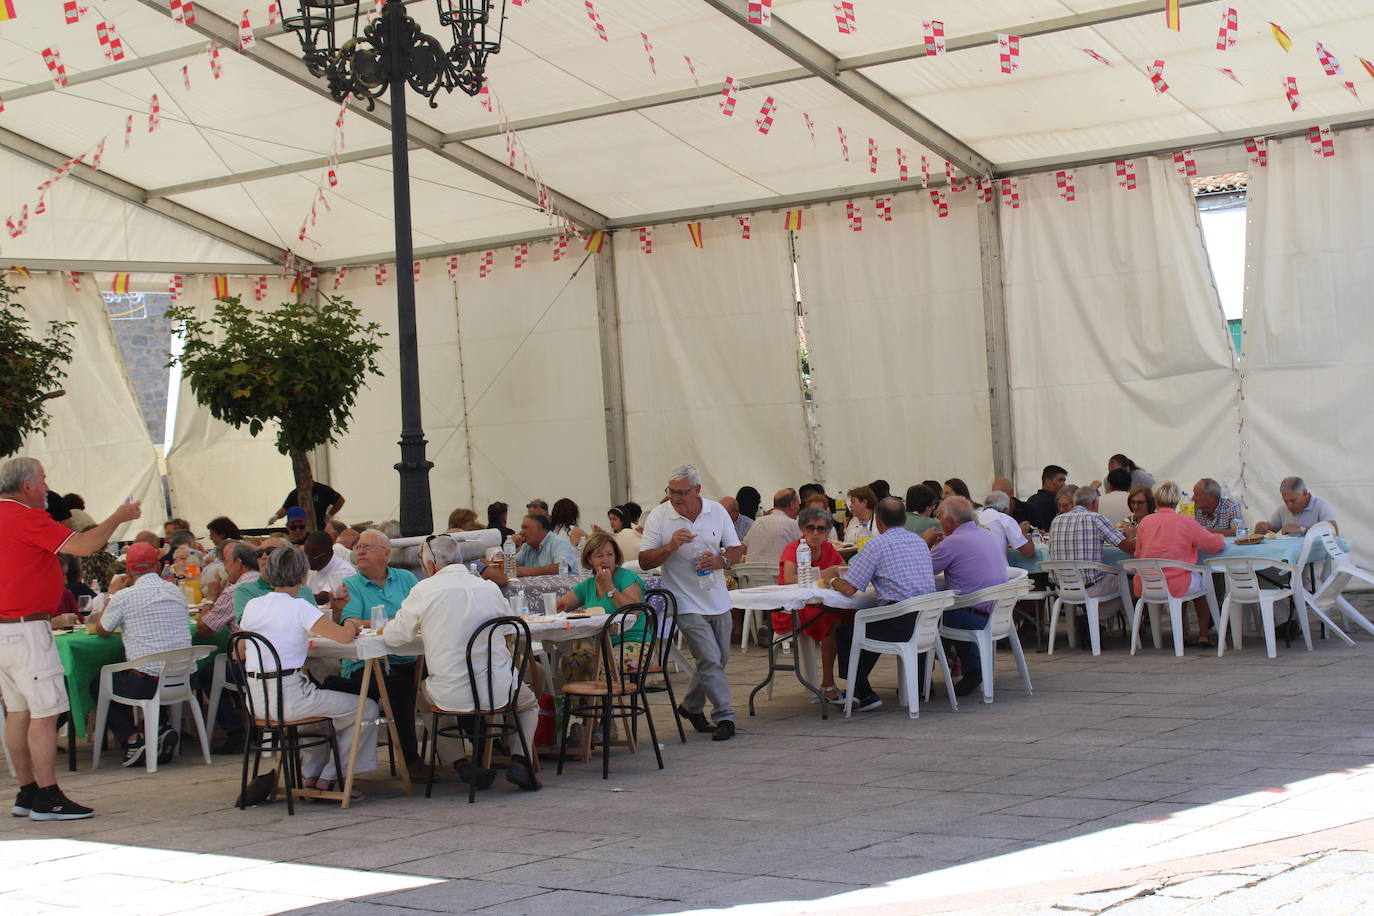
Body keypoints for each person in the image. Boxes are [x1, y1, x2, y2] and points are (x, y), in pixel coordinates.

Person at [1, 457, 141, 820]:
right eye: (44, 480)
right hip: (27, 628)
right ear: (28, 485)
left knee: (18, 712)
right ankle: (48, 796)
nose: (48, 487)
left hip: (5, 630)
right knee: (44, 714)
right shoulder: (25, 516)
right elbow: (83, 545)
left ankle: (27, 791)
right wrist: (117, 518)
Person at [382, 535, 539, 790]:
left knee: (426, 699)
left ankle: (459, 763)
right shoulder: (488, 587)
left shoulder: (424, 589)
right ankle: (521, 761)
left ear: (431, 565)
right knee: (528, 704)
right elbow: (510, 625)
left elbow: (396, 637)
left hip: (451, 692)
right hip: (497, 688)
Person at [240, 546, 376, 795]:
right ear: (303, 577)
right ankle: (332, 775)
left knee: (317, 716)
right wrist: (349, 620)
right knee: (367, 708)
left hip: (257, 700)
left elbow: (241, 649)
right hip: (291, 698)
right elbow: (344, 637)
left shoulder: (252, 606)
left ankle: (311, 774)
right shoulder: (299, 606)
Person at [639, 464, 744, 741]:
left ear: (697, 490)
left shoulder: (716, 511)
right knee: (709, 658)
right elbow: (644, 560)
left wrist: (721, 561)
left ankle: (691, 706)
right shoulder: (659, 517)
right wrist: (670, 546)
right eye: (671, 491)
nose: (675, 498)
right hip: (683, 600)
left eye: (682, 492)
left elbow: (736, 549)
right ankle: (725, 716)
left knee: (719, 658)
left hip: (717, 597)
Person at [824, 497, 935, 712]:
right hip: (927, 621)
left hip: (901, 621)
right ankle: (858, 689)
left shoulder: (877, 544)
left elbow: (849, 588)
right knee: (869, 625)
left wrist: (831, 578)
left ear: (879, 522)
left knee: (847, 633)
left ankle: (864, 694)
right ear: (904, 519)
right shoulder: (918, 541)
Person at [327, 528, 423, 778]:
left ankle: (473, 757)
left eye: (367, 546)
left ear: (386, 554)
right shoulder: (351, 584)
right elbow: (352, 623)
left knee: (453, 672)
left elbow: (423, 615)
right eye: (358, 547)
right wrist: (397, 621)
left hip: (411, 658)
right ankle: (411, 761)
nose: (360, 551)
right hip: (368, 664)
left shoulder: (406, 578)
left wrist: (382, 622)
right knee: (399, 687)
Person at [89, 542, 193, 767]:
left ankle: (132, 741)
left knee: (99, 684)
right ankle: (159, 728)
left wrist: (112, 594)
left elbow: (103, 630)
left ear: (128, 571)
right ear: (156, 566)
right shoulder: (175, 590)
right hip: (182, 679)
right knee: (150, 665)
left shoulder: (125, 596)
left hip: (146, 682)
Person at [928, 498, 1011, 696]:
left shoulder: (952, 542)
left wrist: (925, 542)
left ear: (948, 520)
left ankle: (922, 682)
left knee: (920, 619)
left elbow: (921, 569)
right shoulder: (985, 534)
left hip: (973, 615)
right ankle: (966, 664)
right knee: (952, 608)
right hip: (999, 612)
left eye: (940, 517)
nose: (939, 522)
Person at [1134, 481, 1226, 647]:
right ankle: (1203, 634)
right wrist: (1220, 537)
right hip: (1177, 583)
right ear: (1177, 501)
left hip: (1149, 584)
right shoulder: (1185, 521)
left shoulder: (1145, 523)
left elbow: (1138, 554)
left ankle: (1182, 633)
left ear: (1156, 501)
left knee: (1187, 578)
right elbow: (1214, 545)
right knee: (1200, 584)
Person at [775, 506, 846, 701]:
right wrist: (823, 574)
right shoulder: (794, 548)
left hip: (819, 604)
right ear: (802, 529)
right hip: (794, 607)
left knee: (852, 616)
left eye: (821, 529)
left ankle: (856, 679)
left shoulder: (829, 548)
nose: (815, 533)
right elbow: (789, 578)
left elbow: (843, 570)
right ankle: (827, 683)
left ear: (828, 531)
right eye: (810, 528)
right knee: (832, 621)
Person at [196, 540, 257, 753]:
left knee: (207, 673)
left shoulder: (236, 590)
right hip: (277, 662)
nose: (225, 568)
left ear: (239, 563)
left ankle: (235, 731)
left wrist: (211, 598)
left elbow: (204, 630)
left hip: (250, 665)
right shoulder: (269, 582)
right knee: (222, 662)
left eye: (227, 563)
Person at [1048, 486, 1135, 605]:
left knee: (1109, 579)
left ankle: (1089, 618)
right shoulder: (1096, 518)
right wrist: (1130, 535)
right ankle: (1102, 619)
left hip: (1062, 588)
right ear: (1094, 503)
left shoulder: (1056, 520)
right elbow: (1129, 548)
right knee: (1128, 582)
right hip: (1090, 588)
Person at [559, 532, 649, 643]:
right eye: (599, 555)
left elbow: (634, 611)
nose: (605, 560)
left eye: (610, 554)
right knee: (572, 659)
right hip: (602, 646)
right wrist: (556, 605)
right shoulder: (588, 585)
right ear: (589, 559)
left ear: (616, 556)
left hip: (634, 641)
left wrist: (609, 587)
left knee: (606, 660)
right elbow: (562, 606)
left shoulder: (627, 577)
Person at [482, 513, 580, 584]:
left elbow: (562, 567)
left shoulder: (559, 542)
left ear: (538, 526)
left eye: (525, 527)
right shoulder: (527, 547)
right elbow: (509, 568)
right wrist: (510, 549)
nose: (522, 532)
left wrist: (529, 571)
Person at [1255, 476, 1337, 536]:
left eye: (1293, 501)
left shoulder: (1321, 505)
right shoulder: (1283, 509)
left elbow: (1333, 531)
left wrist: (1301, 529)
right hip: (1291, 557)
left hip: (1316, 558)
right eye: (1285, 501)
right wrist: (1262, 528)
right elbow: (1271, 528)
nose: (1289, 506)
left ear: (1304, 493)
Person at [742, 488, 802, 570]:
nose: (799, 508)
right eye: (798, 504)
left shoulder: (757, 522)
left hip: (752, 579)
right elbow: (806, 551)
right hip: (781, 579)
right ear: (792, 505)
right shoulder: (793, 524)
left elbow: (743, 548)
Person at [303, 530, 356, 605]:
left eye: (312, 556)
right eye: (305, 555)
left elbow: (322, 598)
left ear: (329, 554)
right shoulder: (310, 570)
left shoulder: (345, 570)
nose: (307, 560)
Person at [979, 491, 1035, 560]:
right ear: (1006, 510)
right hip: (998, 568)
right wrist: (1022, 533)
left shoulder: (973, 516)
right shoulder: (1004, 518)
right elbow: (1029, 553)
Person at [269, 481, 345, 529]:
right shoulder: (295, 493)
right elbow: (285, 508)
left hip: (320, 526)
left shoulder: (323, 489)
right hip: (301, 528)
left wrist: (329, 515)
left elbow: (340, 500)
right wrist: (275, 517)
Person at [1023, 465, 1067, 532]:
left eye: (1064, 480)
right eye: (1060, 480)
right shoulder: (1058, 502)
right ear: (1048, 482)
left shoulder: (1031, 499)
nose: (1064, 484)